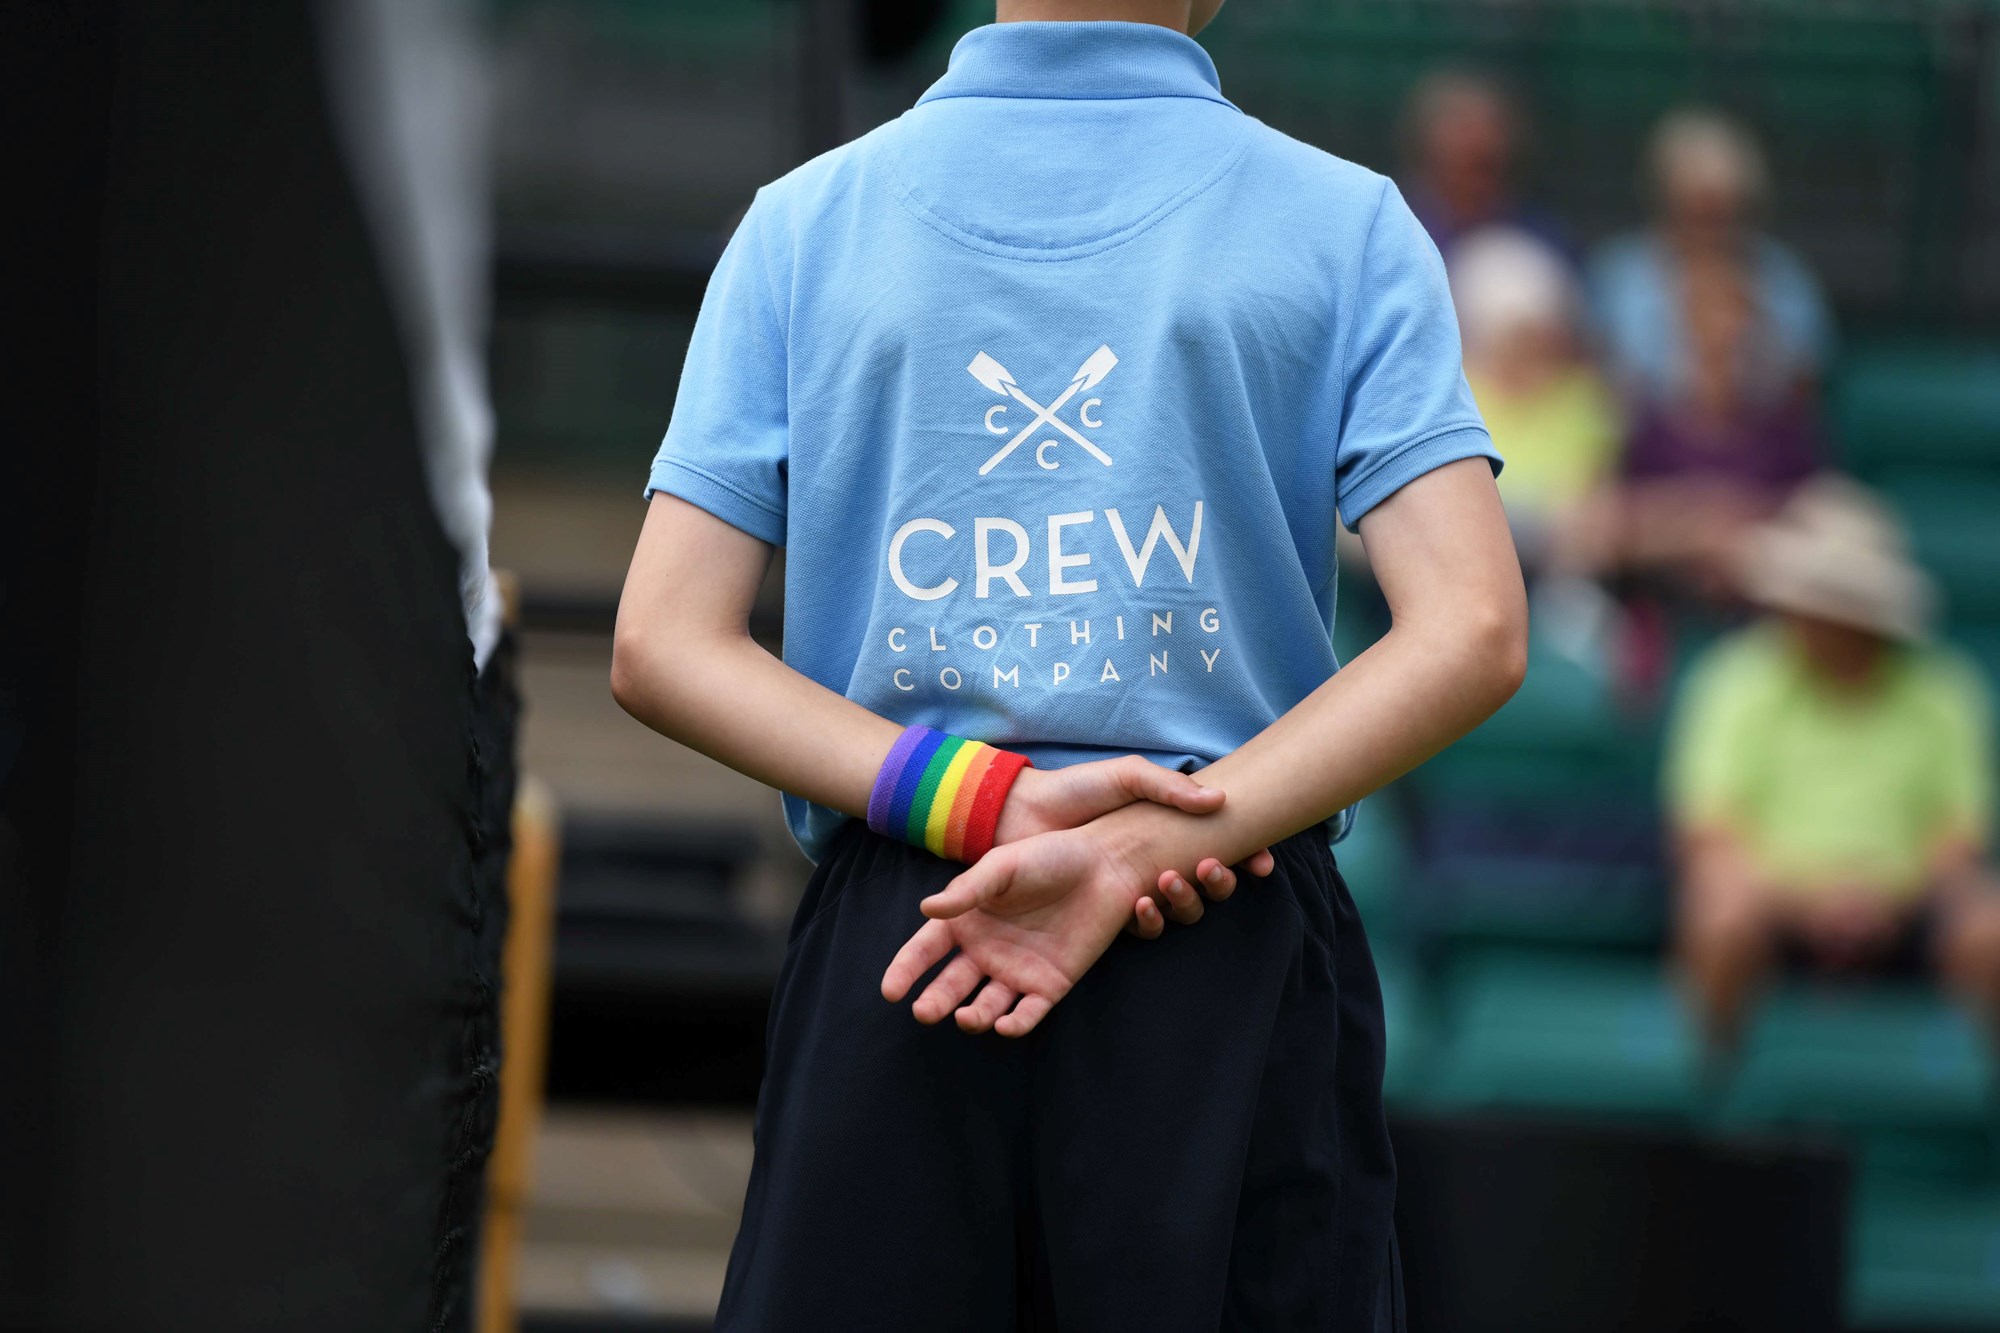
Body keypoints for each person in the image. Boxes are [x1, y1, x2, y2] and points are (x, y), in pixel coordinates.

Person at [612, 3, 1526, 1328]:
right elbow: (1478, 629)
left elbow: (660, 639)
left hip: (915, 917)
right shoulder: (1349, 222)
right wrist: (1136, 845)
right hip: (1222, 899)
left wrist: (981, 803)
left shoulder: (804, 222)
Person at [1665, 478, 2000, 1044]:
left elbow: (1959, 840)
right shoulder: (1736, 680)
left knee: (1990, 928)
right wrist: (1810, 902)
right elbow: (1709, 836)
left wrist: (1882, 899)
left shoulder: (1947, 693)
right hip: (1773, 912)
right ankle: (1714, 1107)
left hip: (1910, 915)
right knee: (1719, 913)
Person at [1588, 107, 1834, 402]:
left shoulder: (1784, 278)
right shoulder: (1619, 275)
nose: (1709, 229)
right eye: (1694, 210)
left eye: (1723, 211)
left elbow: (1802, 391)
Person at [1447, 226, 1620, 564]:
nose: (1530, 352)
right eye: (1516, 337)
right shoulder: (1453, 392)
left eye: (1541, 333)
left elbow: (1593, 519)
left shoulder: (1584, 398)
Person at [1402, 69, 1571, 263]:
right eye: (1462, 127)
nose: (1479, 142)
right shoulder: (1396, 232)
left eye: (1491, 128)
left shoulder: (1542, 239)